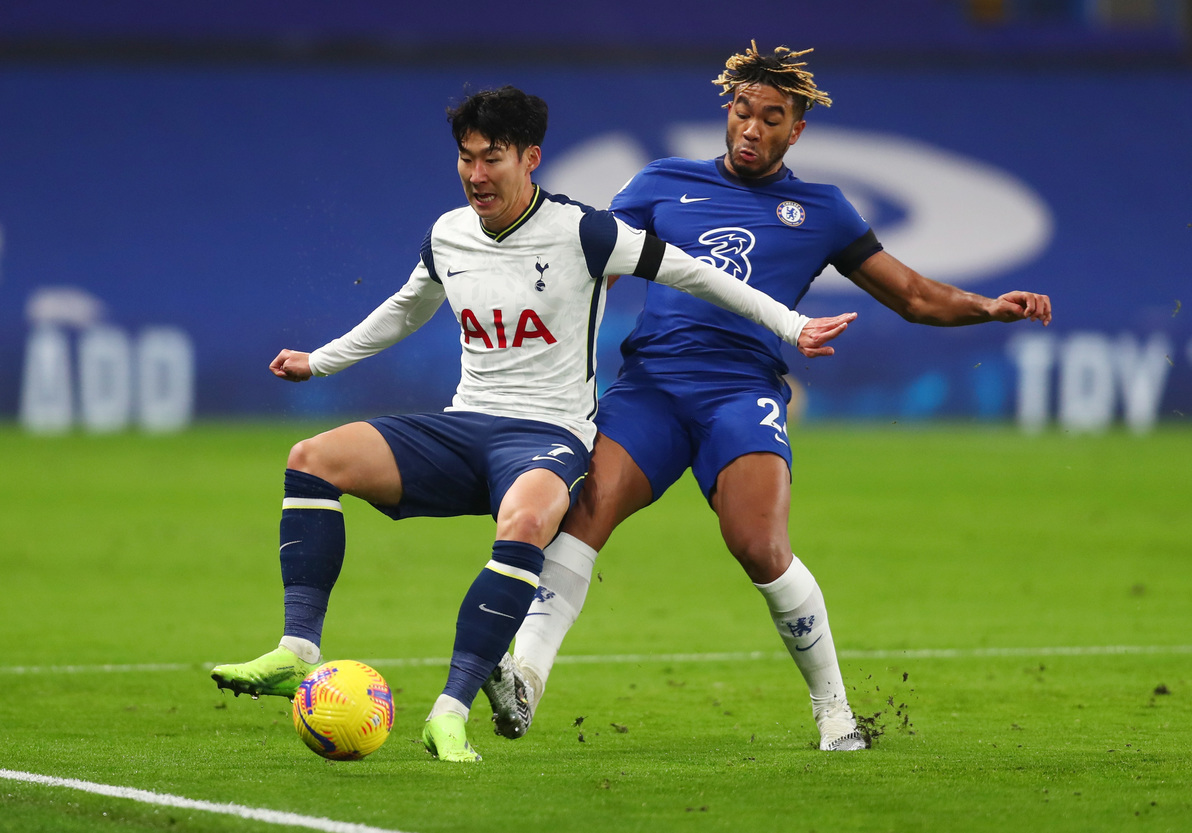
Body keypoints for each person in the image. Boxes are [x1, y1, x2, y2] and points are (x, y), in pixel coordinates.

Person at [209, 84, 858, 763]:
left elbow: (694, 273)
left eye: (492, 159)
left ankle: (451, 713)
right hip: (466, 426)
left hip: (549, 437)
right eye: (466, 158)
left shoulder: (586, 232)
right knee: (312, 457)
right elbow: (404, 309)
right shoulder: (448, 233)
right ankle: (297, 649)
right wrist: (320, 362)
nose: (476, 175)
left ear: (530, 158)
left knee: (526, 523)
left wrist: (792, 325)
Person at [483, 43, 1053, 752]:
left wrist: (988, 307)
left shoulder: (823, 210)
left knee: (757, 543)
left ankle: (836, 714)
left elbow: (913, 295)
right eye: (744, 111)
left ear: (796, 130)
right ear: (728, 110)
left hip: (740, 391)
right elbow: (590, 264)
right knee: (582, 520)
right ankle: (526, 682)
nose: (752, 128)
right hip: (651, 387)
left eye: (772, 118)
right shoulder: (663, 182)